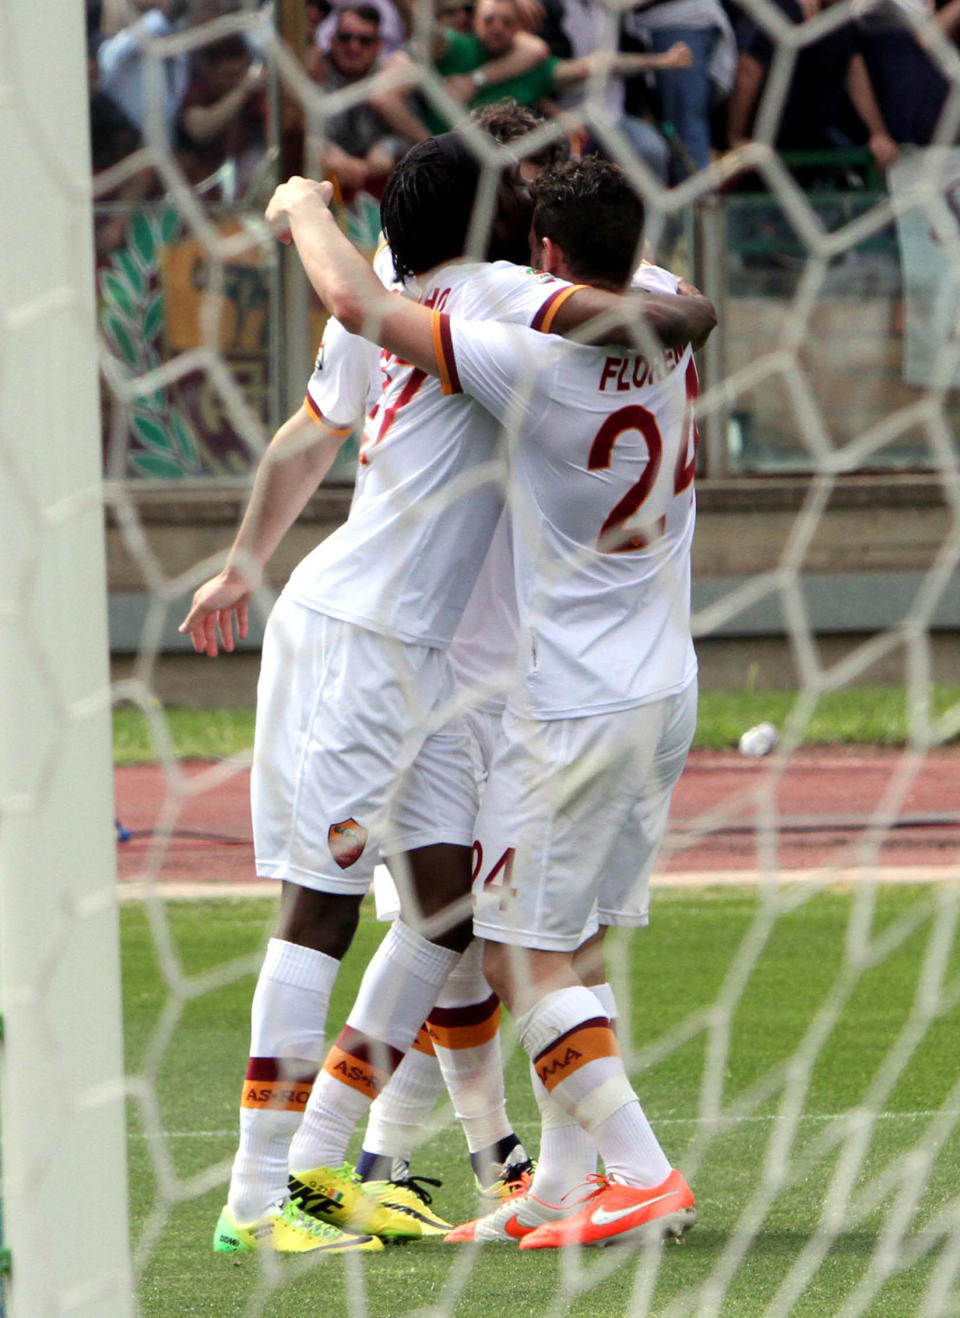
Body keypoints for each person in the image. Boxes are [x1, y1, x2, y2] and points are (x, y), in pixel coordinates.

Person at [182, 130, 712, 1251]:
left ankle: (327, 1161)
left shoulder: (400, 286)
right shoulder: (508, 298)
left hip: (422, 649)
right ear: (505, 230)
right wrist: (245, 563)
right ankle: (253, 1196)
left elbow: (314, 410)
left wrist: (309, 209)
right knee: (318, 904)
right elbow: (661, 309)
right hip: (359, 633)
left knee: (442, 906)